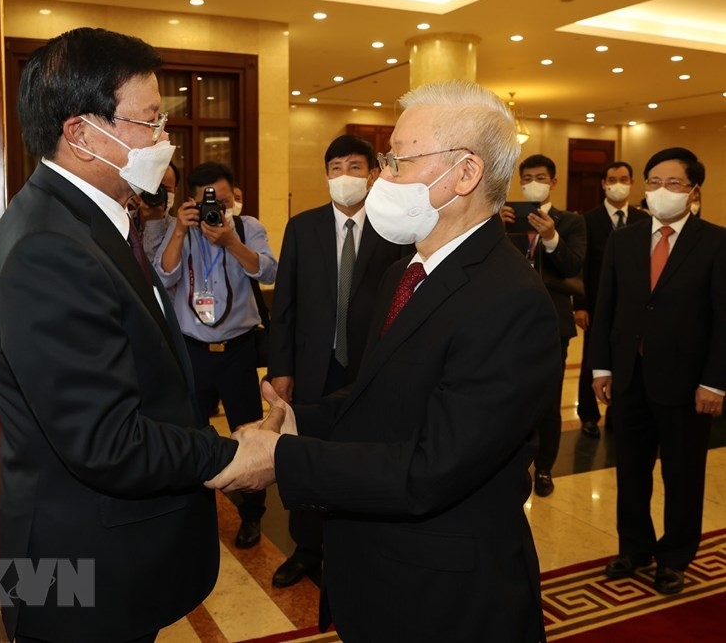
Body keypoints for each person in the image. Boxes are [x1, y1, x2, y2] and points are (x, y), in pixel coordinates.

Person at [209, 80, 563, 642]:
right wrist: (301, 419)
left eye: (397, 162)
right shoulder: (408, 272)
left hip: (444, 599)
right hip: (376, 574)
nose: (380, 179)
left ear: (465, 175)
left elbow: (433, 469)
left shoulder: (512, 302)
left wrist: (286, 458)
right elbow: (378, 393)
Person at [0, 28, 245, 643]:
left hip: (113, 556)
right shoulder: (49, 247)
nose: (163, 140)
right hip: (83, 573)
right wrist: (230, 456)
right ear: (81, 133)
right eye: (149, 123)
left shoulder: (87, 221)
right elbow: (106, 441)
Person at [267, 134, 413, 588]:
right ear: (326, 175)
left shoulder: (395, 229)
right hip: (315, 364)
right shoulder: (303, 227)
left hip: (371, 367)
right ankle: (307, 549)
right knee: (306, 453)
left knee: (363, 456)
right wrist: (281, 369)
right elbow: (285, 304)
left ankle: (360, 547)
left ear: (372, 174)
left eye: (354, 167)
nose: (344, 177)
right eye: (335, 168)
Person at [591, 147, 726, 596]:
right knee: (630, 469)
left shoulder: (715, 242)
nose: (660, 192)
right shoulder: (624, 239)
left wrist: (714, 381)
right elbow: (605, 306)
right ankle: (634, 548)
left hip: (687, 385)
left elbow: (724, 319)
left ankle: (674, 556)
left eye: (672, 184)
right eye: (652, 183)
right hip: (629, 376)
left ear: (693, 191)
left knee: (683, 475)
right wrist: (601, 367)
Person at [155, 160, 277, 548]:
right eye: (209, 201)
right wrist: (178, 228)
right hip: (193, 352)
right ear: (191, 200)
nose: (216, 210)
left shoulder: (247, 228)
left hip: (238, 352)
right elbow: (163, 275)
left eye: (223, 201)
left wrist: (230, 241)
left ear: (234, 198)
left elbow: (268, 271)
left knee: (248, 435)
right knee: (189, 434)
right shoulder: (183, 231)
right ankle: (193, 512)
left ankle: (252, 515)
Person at [500, 153, 586, 497]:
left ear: (553, 182)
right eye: (526, 178)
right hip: (507, 321)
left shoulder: (570, 223)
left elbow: (573, 267)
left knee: (549, 402)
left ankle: (546, 468)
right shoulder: (504, 217)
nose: (532, 183)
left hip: (552, 321)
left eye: (539, 177)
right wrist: (496, 225)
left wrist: (551, 238)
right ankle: (510, 462)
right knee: (508, 395)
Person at [573, 162, 646, 438]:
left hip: (631, 307)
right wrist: (580, 304)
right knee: (593, 359)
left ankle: (618, 412)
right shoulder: (588, 220)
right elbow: (581, 267)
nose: (618, 184)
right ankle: (589, 414)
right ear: (604, 183)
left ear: (632, 182)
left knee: (626, 360)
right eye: (612, 179)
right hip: (596, 304)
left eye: (624, 178)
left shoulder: (643, 219)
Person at [136, 159, 180, 262]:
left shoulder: (178, 230)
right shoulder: (125, 222)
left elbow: (157, 275)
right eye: (154, 188)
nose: (159, 195)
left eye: (167, 190)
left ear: (175, 190)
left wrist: (154, 222)